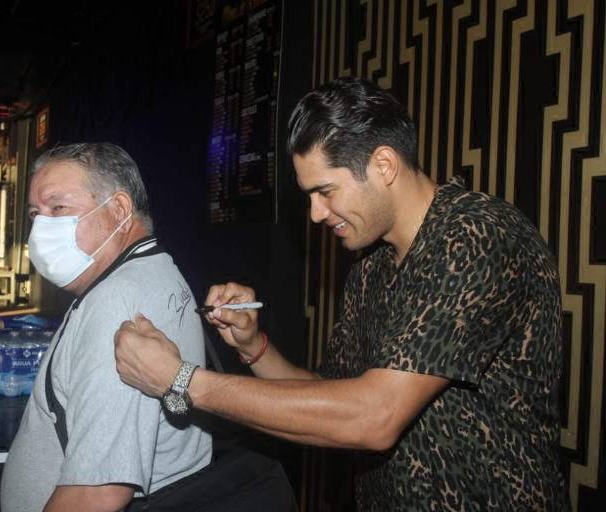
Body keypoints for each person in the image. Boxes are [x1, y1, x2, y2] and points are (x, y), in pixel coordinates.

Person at [113, 78, 568, 510]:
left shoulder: (475, 237)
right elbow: (331, 397)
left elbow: (374, 418)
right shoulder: (371, 267)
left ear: (384, 165)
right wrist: (254, 347)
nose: (315, 213)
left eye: (325, 191)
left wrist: (182, 381)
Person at [0, 143, 212, 512]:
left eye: (58, 208)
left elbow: (98, 492)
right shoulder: (154, 269)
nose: (40, 229)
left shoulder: (117, 301)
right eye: (35, 214)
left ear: (118, 210)